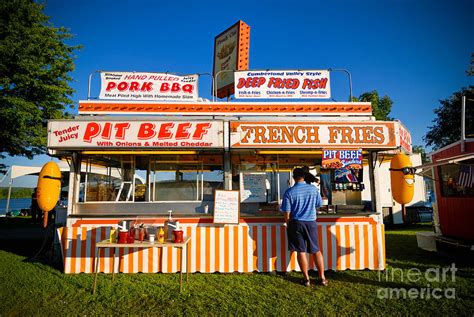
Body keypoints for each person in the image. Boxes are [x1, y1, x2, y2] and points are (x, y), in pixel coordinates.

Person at [281, 167, 328, 287]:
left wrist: (287, 223)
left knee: (301, 251)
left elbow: (286, 211)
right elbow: (319, 204)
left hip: (296, 223)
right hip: (311, 222)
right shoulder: (313, 189)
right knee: (316, 250)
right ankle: (322, 278)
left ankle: (306, 279)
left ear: (293, 177)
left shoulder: (289, 192)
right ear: (304, 176)